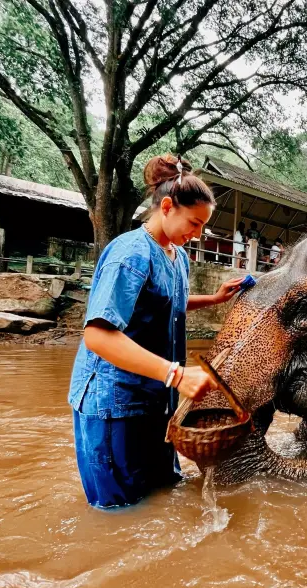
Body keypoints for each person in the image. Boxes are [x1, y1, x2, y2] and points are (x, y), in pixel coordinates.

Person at [68, 153, 244, 509]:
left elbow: (165, 303)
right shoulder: (131, 254)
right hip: (114, 401)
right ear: (167, 207)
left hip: (154, 396)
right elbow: (97, 336)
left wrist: (213, 299)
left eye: (202, 228)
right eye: (193, 224)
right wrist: (177, 375)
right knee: (121, 509)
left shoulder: (175, 257)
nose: (196, 235)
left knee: (162, 491)